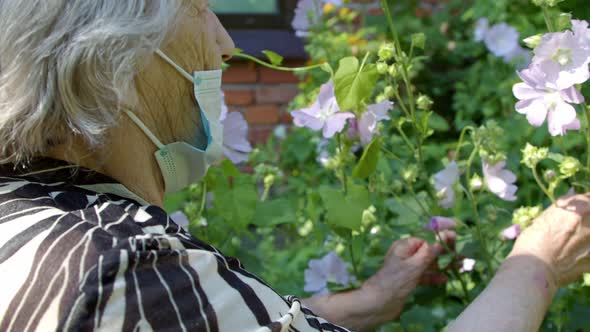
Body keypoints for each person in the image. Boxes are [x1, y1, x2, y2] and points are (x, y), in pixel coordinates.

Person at [0, 1, 589, 331]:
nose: (227, 43)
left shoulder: (31, 211)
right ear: (112, 57)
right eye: (198, 8)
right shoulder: (120, 270)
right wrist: (536, 264)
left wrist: (363, 304)